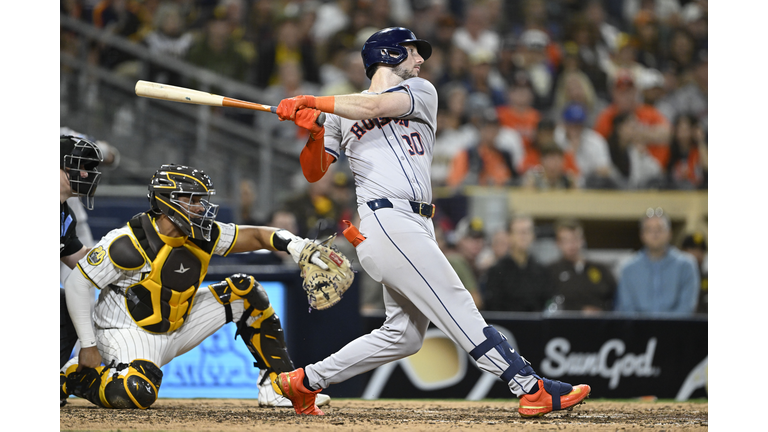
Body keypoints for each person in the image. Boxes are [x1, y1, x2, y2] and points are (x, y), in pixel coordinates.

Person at [270, 26, 590, 417]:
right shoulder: (338, 113)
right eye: (411, 52)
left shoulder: (421, 92)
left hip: (417, 223)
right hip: (385, 219)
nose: (420, 60)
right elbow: (314, 171)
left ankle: (303, 382)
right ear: (386, 54)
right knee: (456, 300)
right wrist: (315, 130)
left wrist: (310, 101)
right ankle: (528, 386)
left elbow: (371, 108)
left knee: (403, 336)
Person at [60, 164, 331, 410]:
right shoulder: (127, 241)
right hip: (127, 332)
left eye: (201, 199)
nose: (201, 208)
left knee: (245, 289)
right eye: (192, 199)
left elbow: (258, 235)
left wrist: (296, 244)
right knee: (134, 393)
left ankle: (279, 388)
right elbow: (77, 283)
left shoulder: (205, 234)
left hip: (178, 325)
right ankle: (78, 375)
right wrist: (88, 344)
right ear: (166, 202)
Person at [60, 135, 104, 394]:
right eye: (81, 167)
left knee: (68, 309)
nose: (86, 175)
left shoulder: (64, 213)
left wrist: (120, 250)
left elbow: (81, 261)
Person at [615, 211, 699, 315]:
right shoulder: (628, 268)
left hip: (677, 329)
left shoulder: (686, 265)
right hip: (638, 330)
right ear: (642, 235)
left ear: (670, 233)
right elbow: (626, 309)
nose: (655, 234)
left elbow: (686, 308)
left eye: (659, 229)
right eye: (649, 230)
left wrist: (662, 327)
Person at [483, 215, 554, 312]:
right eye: (519, 232)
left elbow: (546, 304)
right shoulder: (497, 271)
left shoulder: (542, 271)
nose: (523, 236)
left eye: (527, 232)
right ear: (509, 236)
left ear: (533, 236)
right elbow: (493, 306)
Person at [547, 219, 616, 313]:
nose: (571, 245)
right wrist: (579, 311)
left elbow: (616, 300)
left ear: (582, 240)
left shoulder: (601, 269)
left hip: (600, 324)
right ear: (557, 243)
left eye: (575, 239)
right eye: (565, 240)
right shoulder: (550, 271)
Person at [680, 232, 707, 314]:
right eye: (692, 250)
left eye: (700, 250)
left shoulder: (706, 277)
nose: (697, 254)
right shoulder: (677, 276)